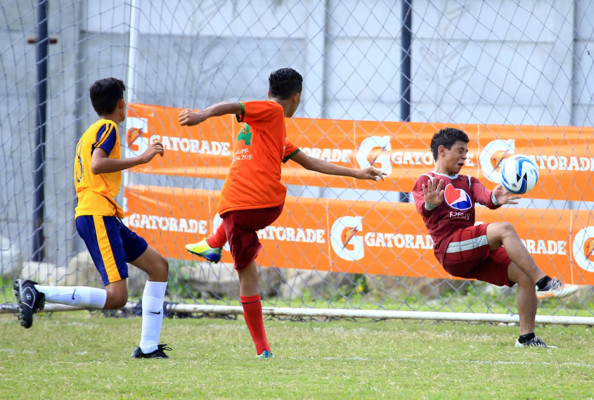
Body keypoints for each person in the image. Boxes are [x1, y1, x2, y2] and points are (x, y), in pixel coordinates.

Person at [179, 67, 386, 358]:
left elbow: (310, 162)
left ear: (269, 92)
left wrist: (356, 172)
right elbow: (233, 105)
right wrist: (202, 115)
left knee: (244, 267)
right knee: (248, 276)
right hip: (257, 205)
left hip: (241, 206)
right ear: (297, 97)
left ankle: (214, 242)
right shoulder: (273, 111)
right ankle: (262, 348)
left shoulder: (264, 128)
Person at [14, 77, 172, 359]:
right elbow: (98, 165)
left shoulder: (91, 131)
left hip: (104, 214)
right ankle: (37, 292)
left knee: (159, 267)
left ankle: (148, 347)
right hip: (97, 214)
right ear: (121, 104)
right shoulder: (108, 127)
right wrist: (142, 158)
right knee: (117, 297)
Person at [412, 127, 578, 348]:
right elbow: (424, 206)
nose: (465, 156)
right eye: (460, 151)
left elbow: (486, 197)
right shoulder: (427, 179)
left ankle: (526, 339)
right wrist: (432, 202)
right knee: (505, 229)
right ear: (442, 151)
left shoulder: (468, 182)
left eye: (466, 151)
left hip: (470, 250)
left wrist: (496, 197)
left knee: (524, 275)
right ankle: (546, 282)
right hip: (450, 248)